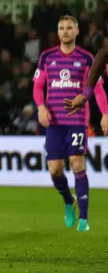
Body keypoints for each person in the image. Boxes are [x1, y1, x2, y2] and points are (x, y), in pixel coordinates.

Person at [33, 15, 108, 232]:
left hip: (76, 121)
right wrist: (40, 107)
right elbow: (38, 87)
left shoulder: (86, 58)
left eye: (69, 28)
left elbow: (97, 88)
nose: (65, 31)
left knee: (77, 162)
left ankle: (83, 219)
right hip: (54, 122)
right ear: (58, 32)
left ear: (77, 31)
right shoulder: (47, 57)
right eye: (62, 28)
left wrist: (105, 113)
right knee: (55, 171)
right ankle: (68, 201)